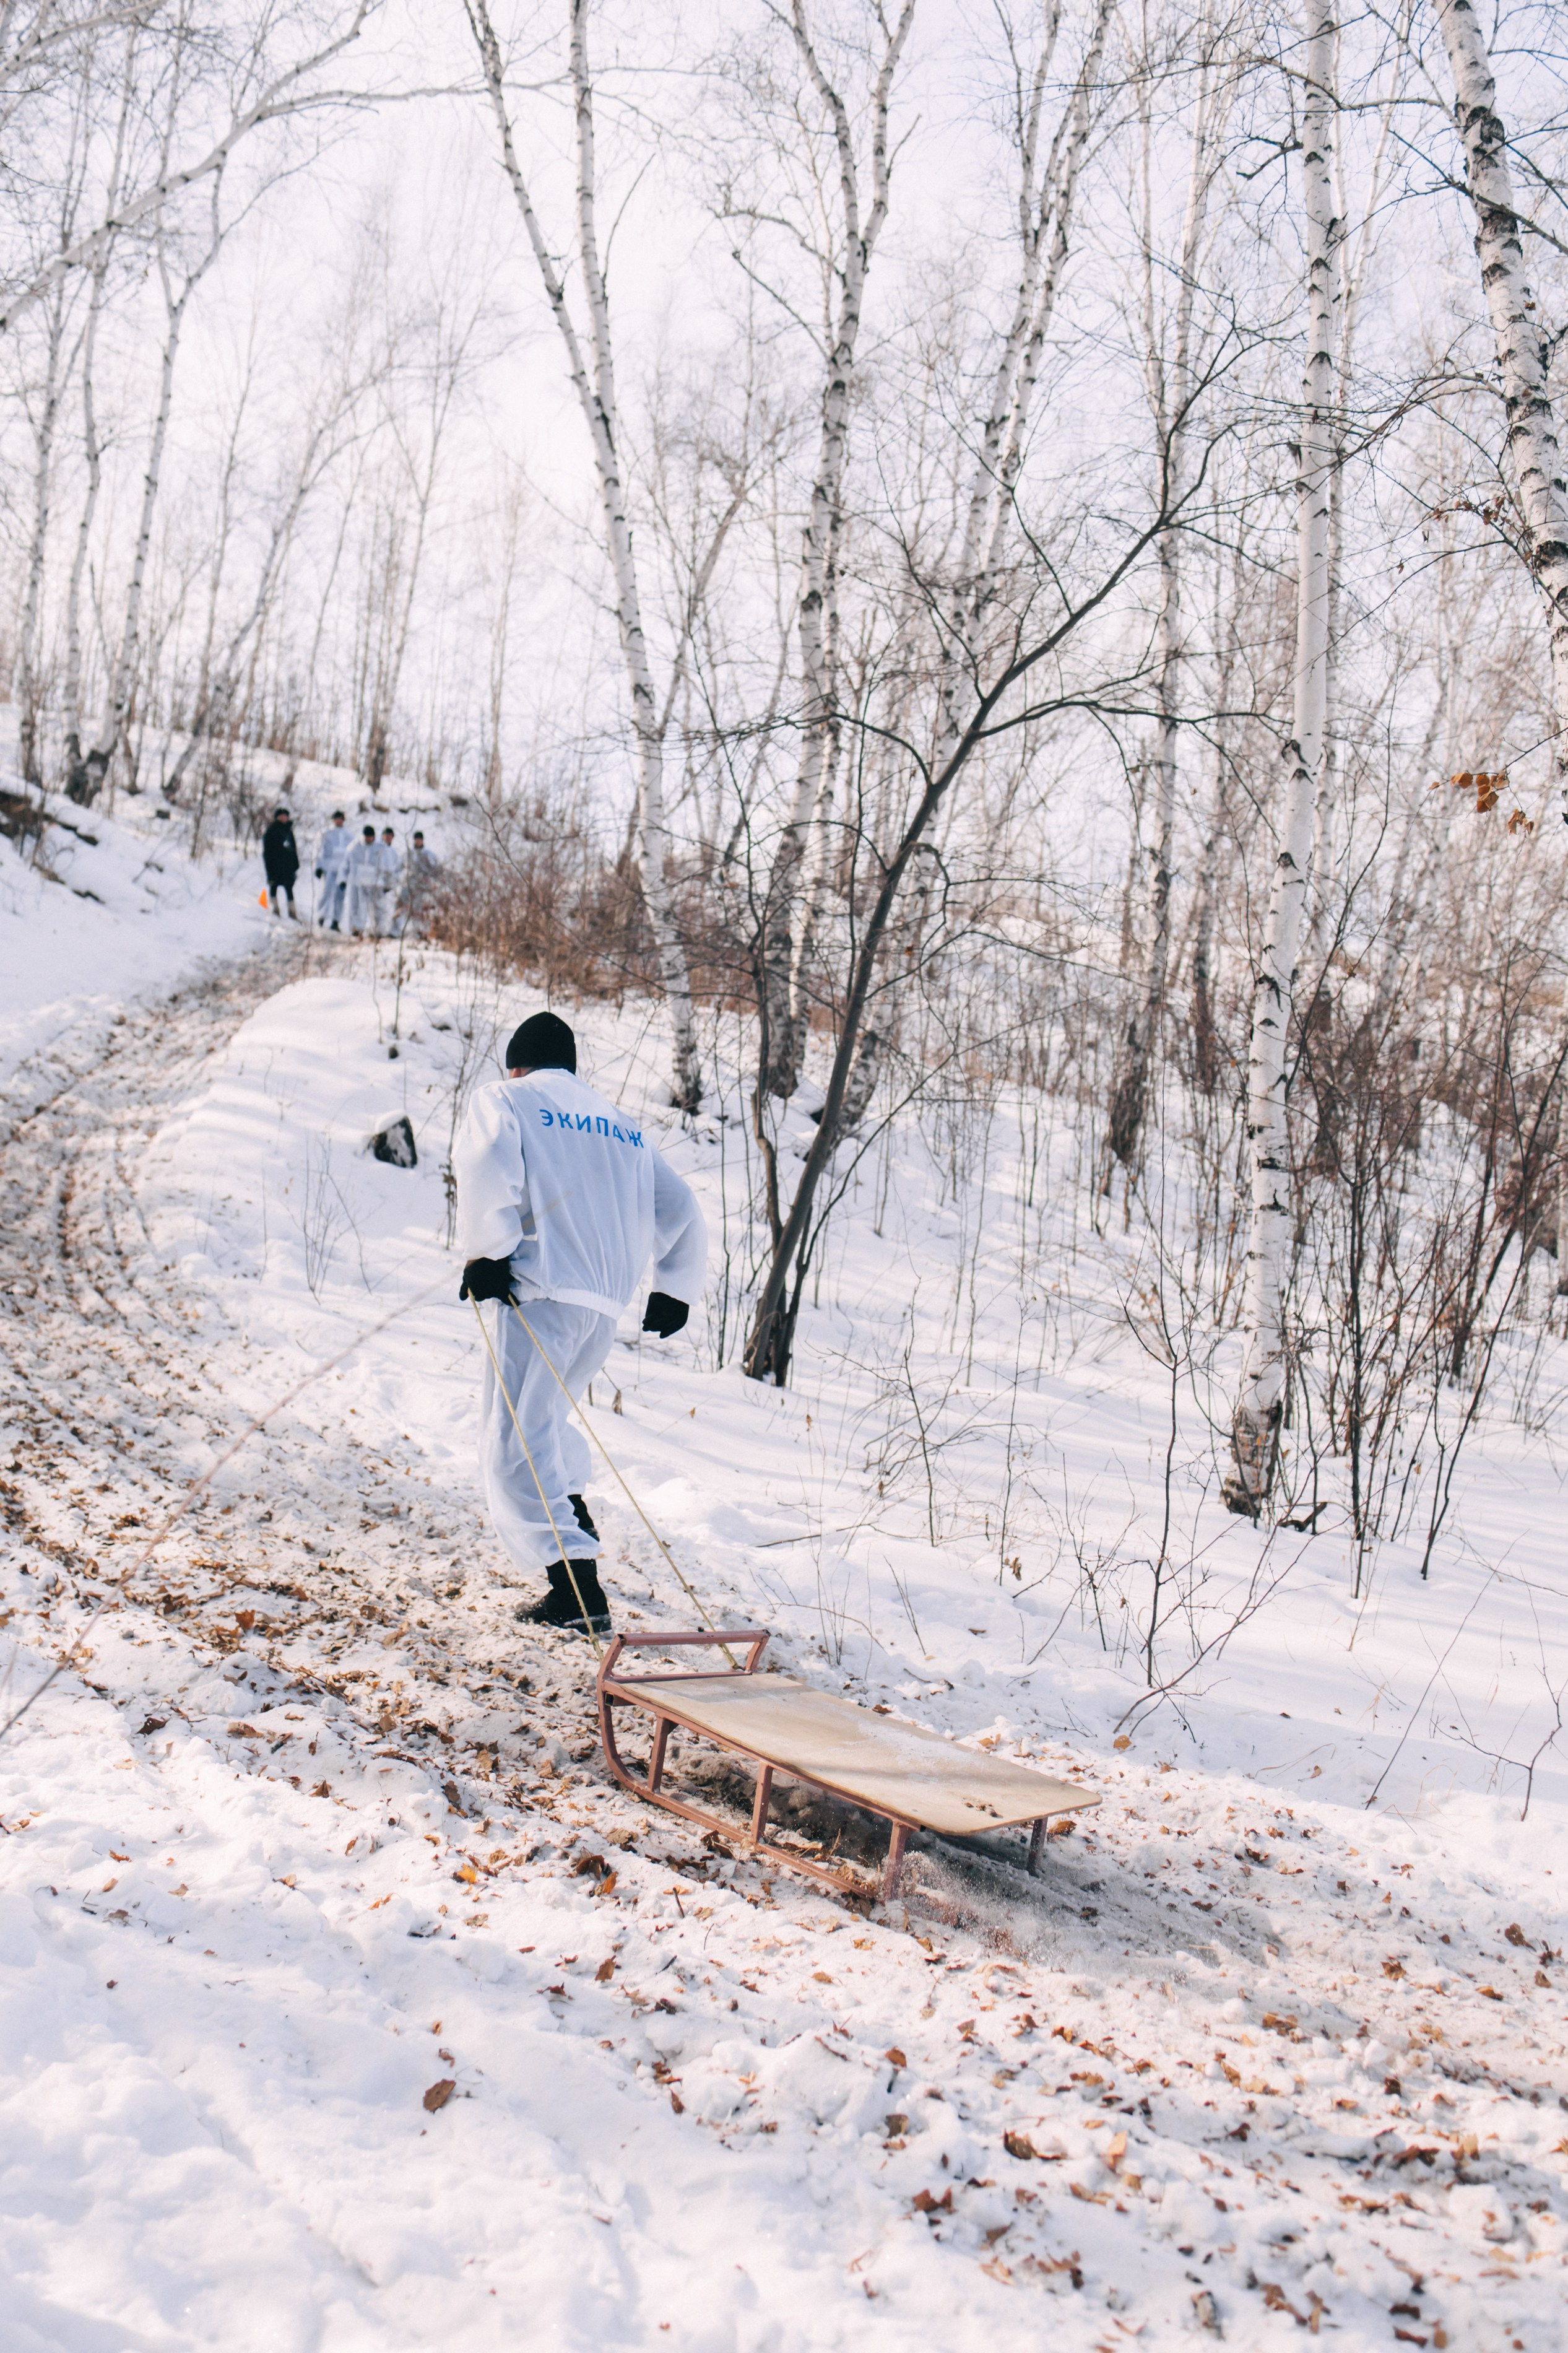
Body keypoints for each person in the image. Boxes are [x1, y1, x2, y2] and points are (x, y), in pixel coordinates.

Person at [454, 1011, 705, 1633]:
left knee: (512, 1445)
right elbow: (680, 1206)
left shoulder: (506, 1098)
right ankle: (574, 1519)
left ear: (517, 1063)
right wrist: (674, 1287)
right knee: (545, 1423)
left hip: (537, 1292)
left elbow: (487, 1158)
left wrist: (488, 1251)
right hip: (601, 1307)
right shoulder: (622, 1126)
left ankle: (575, 1589)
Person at [261, 806, 300, 920]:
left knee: (289, 888)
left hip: (288, 867)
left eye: (286, 816)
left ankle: (292, 912)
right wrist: (269, 868)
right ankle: (275, 910)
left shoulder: (289, 831)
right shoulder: (271, 831)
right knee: (274, 886)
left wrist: (296, 865)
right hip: (275, 865)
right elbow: (267, 852)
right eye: (281, 816)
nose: (284, 818)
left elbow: (294, 849)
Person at [399, 829, 440, 936]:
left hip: (422, 888)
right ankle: (403, 930)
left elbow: (436, 871)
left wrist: (429, 880)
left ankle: (420, 931)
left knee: (419, 909)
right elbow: (399, 868)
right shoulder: (408, 854)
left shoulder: (428, 854)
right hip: (408, 886)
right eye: (416, 839)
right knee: (404, 907)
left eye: (419, 839)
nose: (418, 841)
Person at [316, 809, 350, 929]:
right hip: (329, 868)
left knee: (340, 895)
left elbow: (351, 854)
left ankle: (336, 921)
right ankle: (321, 917)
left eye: (341, 818)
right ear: (334, 820)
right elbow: (319, 850)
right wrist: (319, 866)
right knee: (327, 892)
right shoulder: (327, 833)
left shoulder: (348, 835)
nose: (339, 821)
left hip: (342, 870)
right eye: (337, 819)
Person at [345, 822, 381, 936]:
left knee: (373, 907)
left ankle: (374, 930)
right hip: (356, 881)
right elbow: (345, 863)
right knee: (355, 905)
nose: (369, 839)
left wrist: (383, 882)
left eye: (371, 836)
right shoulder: (355, 846)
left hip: (372, 883)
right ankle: (355, 928)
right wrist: (343, 879)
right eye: (367, 836)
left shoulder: (379, 847)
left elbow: (384, 866)